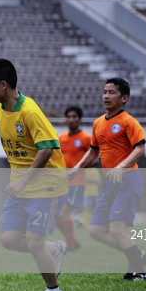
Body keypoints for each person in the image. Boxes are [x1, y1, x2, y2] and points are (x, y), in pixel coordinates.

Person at [0, 58, 68, 291]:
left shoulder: (30, 111)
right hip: (20, 185)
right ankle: (55, 249)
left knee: (34, 242)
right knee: (7, 239)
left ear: (3, 85)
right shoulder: (0, 109)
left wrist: (22, 181)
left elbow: (46, 149)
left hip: (46, 185)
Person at [68, 77, 146, 281]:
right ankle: (137, 255)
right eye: (105, 91)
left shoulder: (128, 121)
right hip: (110, 183)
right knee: (96, 230)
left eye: (112, 92)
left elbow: (140, 149)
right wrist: (76, 168)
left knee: (117, 229)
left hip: (128, 179)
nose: (106, 96)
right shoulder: (98, 123)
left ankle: (140, 270)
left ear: (124, 98)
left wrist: (121, 167)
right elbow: (93, 152)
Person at [55, 106, 91, 251]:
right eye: (68, 117)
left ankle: (70, 244)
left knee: (63, 213)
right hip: (61, 182)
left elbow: (94, 158)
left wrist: (78, 169)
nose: (71, 119)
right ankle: (73, 241)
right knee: (56, 215)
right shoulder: (61, 138)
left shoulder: (86, 138)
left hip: (77, 182)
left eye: (74, 117)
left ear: (80, 119)